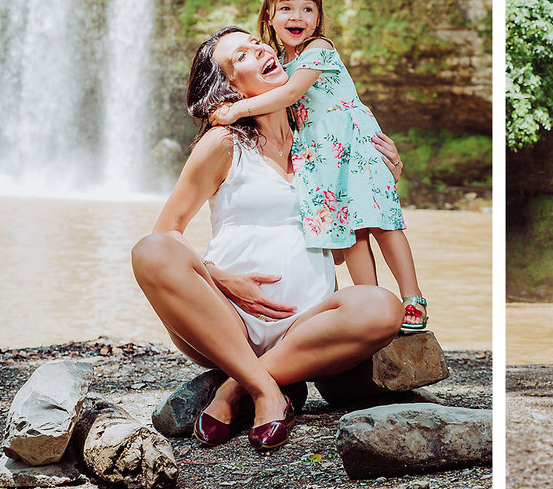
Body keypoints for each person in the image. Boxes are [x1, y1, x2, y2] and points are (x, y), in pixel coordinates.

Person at [131, 28, 404, 451]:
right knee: (150, 252)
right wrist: (220, 278)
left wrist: (382, 178)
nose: (259, 49)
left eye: (257, 43)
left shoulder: (321, 140)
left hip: (307, 327)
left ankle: (236, 387)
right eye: (241, 56)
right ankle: (267, 391)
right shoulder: (224, 143)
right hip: (227, 322)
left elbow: (343, 241)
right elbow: (167, 228)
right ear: (230, 88)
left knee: (383, 306)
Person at [211, 0, 428, 331]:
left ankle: (412, 298)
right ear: (269, 15)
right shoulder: (278, 64)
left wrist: (236, 110)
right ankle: (371, 305)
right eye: (286, 8)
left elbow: (292, 94)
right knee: (351, 232)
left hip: (355, 146)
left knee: (382, 223)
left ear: (318, 18)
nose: (297, 16)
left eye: (307, 9)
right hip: (323, 158)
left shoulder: (319, 49)